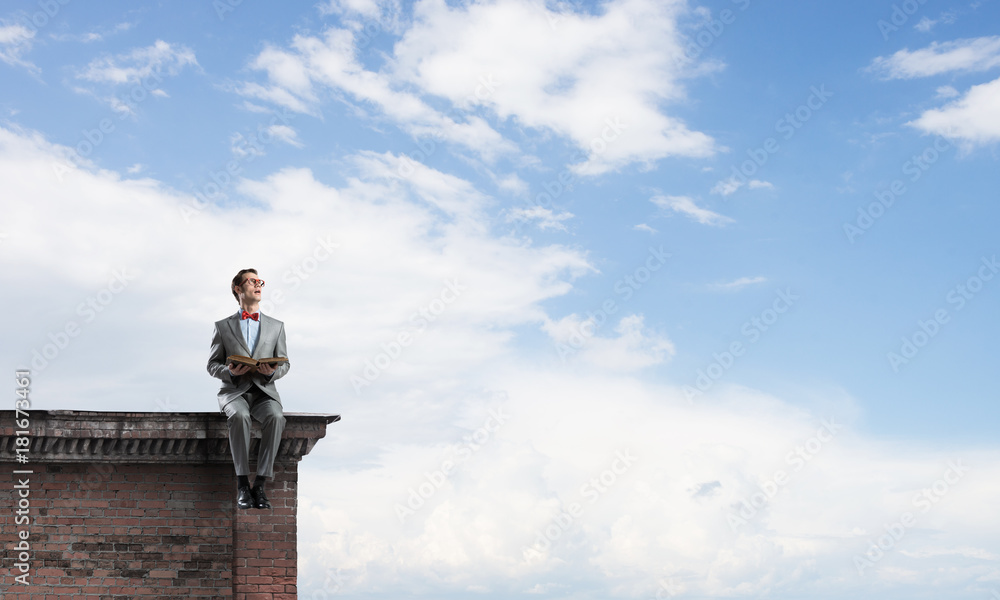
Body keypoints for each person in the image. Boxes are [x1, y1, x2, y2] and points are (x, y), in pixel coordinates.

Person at [207, 268, 289, 509]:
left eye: (260, 281)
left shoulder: (277, 326)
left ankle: (260, 484)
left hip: (265, 391)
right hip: (234, 391)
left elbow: (286, 363)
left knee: (276, 416)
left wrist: (272, 372)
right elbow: (212, 365)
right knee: (240, 416)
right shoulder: (222, 326)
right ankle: (243, 484)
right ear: (238, 289)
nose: (258, 285)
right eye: (252, 281)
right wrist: (230, 372)